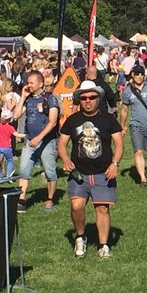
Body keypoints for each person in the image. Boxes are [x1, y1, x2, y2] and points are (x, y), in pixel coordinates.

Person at [58, 80, 124, 259]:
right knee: (76, 205)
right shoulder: (72, 120)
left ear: (98, 98)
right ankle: (80, 236)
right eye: (84, 97)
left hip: (104, 172)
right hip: (79, 172)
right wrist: (65, 159)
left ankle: (103, 245)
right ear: (79, 99)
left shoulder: (108, 119)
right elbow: (62, 143)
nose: (88, 101)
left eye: (92, 97)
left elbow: (119, 143)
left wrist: (115, 163)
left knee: (102, 208)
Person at [12, 71, 60, 213]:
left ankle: (50, 199)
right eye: (28, 83)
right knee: (24, 171)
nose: (29, 85)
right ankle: (21, 200)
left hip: (46, 141)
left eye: (32, 83)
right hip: (29, 141)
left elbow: (53, 122)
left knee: (50, 171)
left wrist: (39, 137)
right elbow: (16, 115)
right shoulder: (28, 99)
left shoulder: (50, 99)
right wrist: (23, 97)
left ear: (40, 83)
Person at [0, 114, 19, 178]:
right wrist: (25, 135)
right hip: (7, 147)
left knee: (0, 161)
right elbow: (17, 134)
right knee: (10, 160)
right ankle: (9, 175)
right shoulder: (10, 128)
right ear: (9, 119)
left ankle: (0, 177)